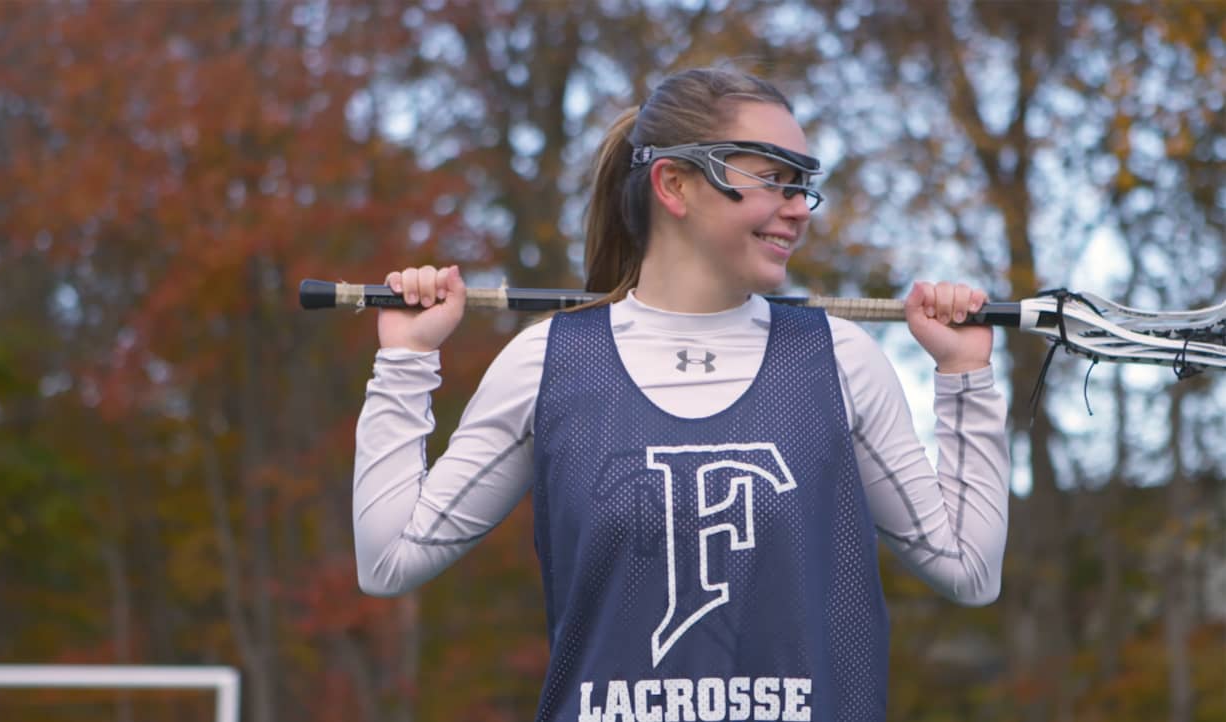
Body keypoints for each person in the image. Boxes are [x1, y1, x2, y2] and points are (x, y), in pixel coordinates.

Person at [354, 67, 1010, 722]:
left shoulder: (838, 362)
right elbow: (389, 560)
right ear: (674, 184)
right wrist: (406, 359)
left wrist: (964, 374)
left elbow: (968, 571)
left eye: (802, 185)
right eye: (772, 178)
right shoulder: (550, 363)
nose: (798, 209)